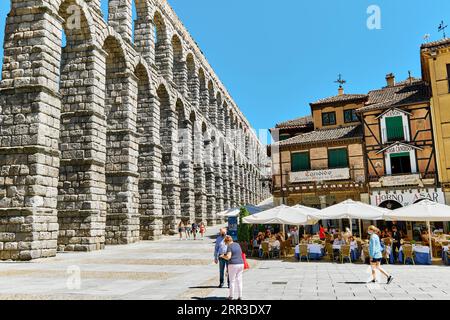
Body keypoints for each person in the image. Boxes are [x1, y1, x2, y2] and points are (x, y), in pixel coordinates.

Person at [220, 236, 244, 300]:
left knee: (232, 281)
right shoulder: (238, 244)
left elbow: (228, 257)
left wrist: (223, 256)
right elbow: (240, 253)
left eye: (226, 243)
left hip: (233, 264)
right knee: (239, 281)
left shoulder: (229, 246)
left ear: (227, 241)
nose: (226, 244)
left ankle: (231, 296)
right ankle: (240, 296)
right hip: (241, 263)